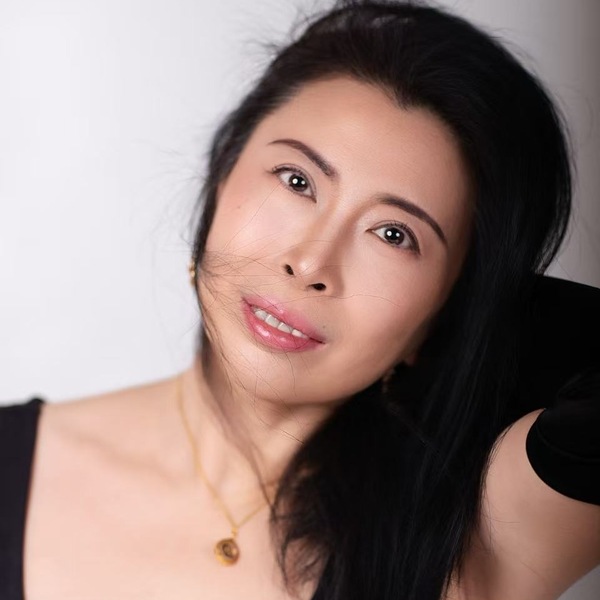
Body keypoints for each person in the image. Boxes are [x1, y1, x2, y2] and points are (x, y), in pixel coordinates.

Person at [1, 1, 599, 599]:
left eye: (394, 235)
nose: (311, 263)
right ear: (222, 176)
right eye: (297, 181)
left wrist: (468, 326)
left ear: (448, 303)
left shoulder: (482, 542)